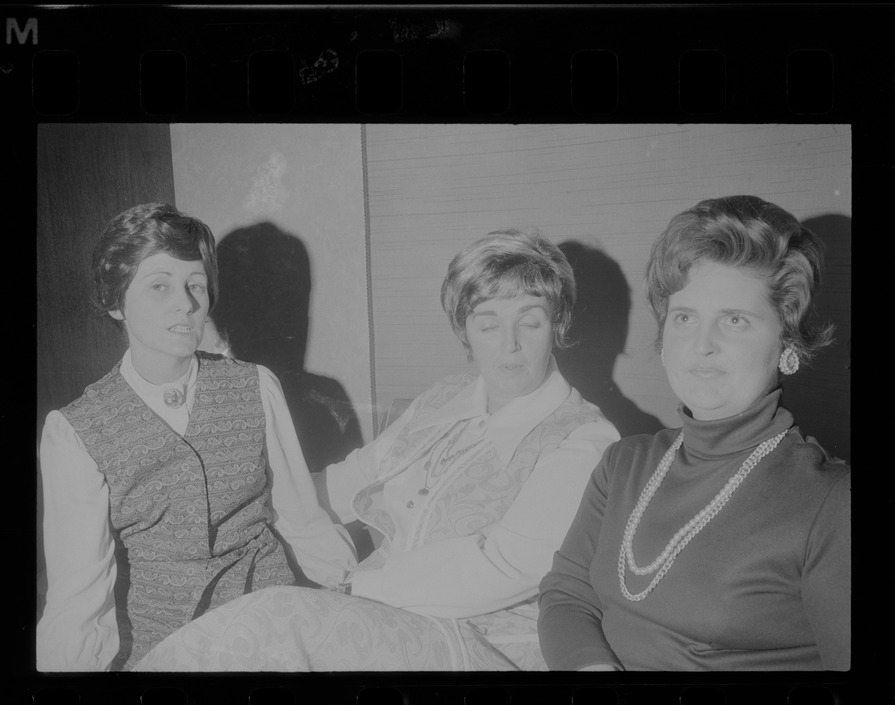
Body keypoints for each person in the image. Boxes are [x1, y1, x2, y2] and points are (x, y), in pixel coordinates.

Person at [133, 228, 620, 671]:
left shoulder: (585, 440)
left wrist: (355, 587)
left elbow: (502, 565)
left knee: (277, 620)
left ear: (556, 324)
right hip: (385, 614)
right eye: (488, 323)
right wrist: (248, 502)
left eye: (529, 322)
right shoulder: (445, 397)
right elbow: (356, 476)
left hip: (481, 643)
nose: (509, 345)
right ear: (464, 331)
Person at [37, 203, 356, 671]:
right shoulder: (75, 430)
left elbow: (300, 516)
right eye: (159, 285)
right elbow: (79, 591)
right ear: (114, 301)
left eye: (195, 285)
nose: (185, 304)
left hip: (272, 616)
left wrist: (347, 589)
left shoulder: (255, 385)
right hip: (165, 643)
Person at [538, 195, 850, 671]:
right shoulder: (624, 463)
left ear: (787, 344)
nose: (702, 346)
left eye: (735, 320)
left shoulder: (833, 504)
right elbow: (566, 595)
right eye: (685, 318)